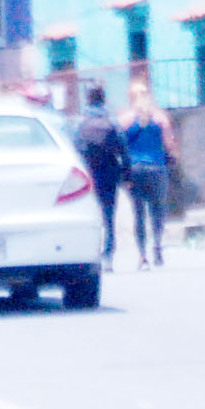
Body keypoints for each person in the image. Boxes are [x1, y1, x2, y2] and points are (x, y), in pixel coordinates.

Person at [72, 83, 128, 271]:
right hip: (109, 173)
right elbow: (124, 151)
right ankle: (109, 255)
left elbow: (73, 149)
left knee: (90, 215)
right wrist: (126, 175)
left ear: (88, 98)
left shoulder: (80, 122)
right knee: (109, 216)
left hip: (88, 175)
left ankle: (91, 253)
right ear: (103, 98)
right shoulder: (112, 121)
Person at [121, 83, 171, 270]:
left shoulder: (125, 120)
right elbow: (169, 144)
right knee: (158, 210)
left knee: (139, 213)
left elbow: (120, 145)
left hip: (135, 170)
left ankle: (142, 256)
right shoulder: (160, 119)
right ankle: (157, 246)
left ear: (130, 97)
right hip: (157, 168)